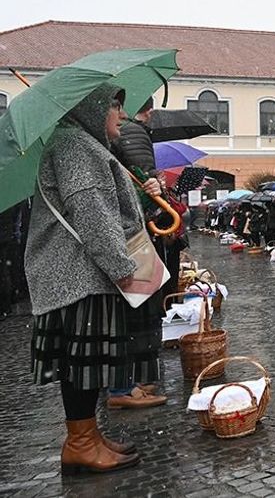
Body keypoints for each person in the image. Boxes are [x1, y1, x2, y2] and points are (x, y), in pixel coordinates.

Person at [28, 84, 164, 474]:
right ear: (91, 108)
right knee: (81, 363)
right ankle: (81, 443)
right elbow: (91, 212)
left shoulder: (84, 144)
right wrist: (122, 267)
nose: (121, 115)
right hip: (78, 276)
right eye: (115, 106)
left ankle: (87, 436)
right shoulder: (76, 145)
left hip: (84, 274)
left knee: (88, 364)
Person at [107, 97, 169, 410]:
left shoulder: (120, 137)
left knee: (136, 312)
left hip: (130, 239)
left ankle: (131, 382)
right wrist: (151, 194)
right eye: (114, 109)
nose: (119, 116)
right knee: (135, 312)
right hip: (126, 243)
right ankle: (127, 385)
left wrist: (151, 191)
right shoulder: (129, 135)